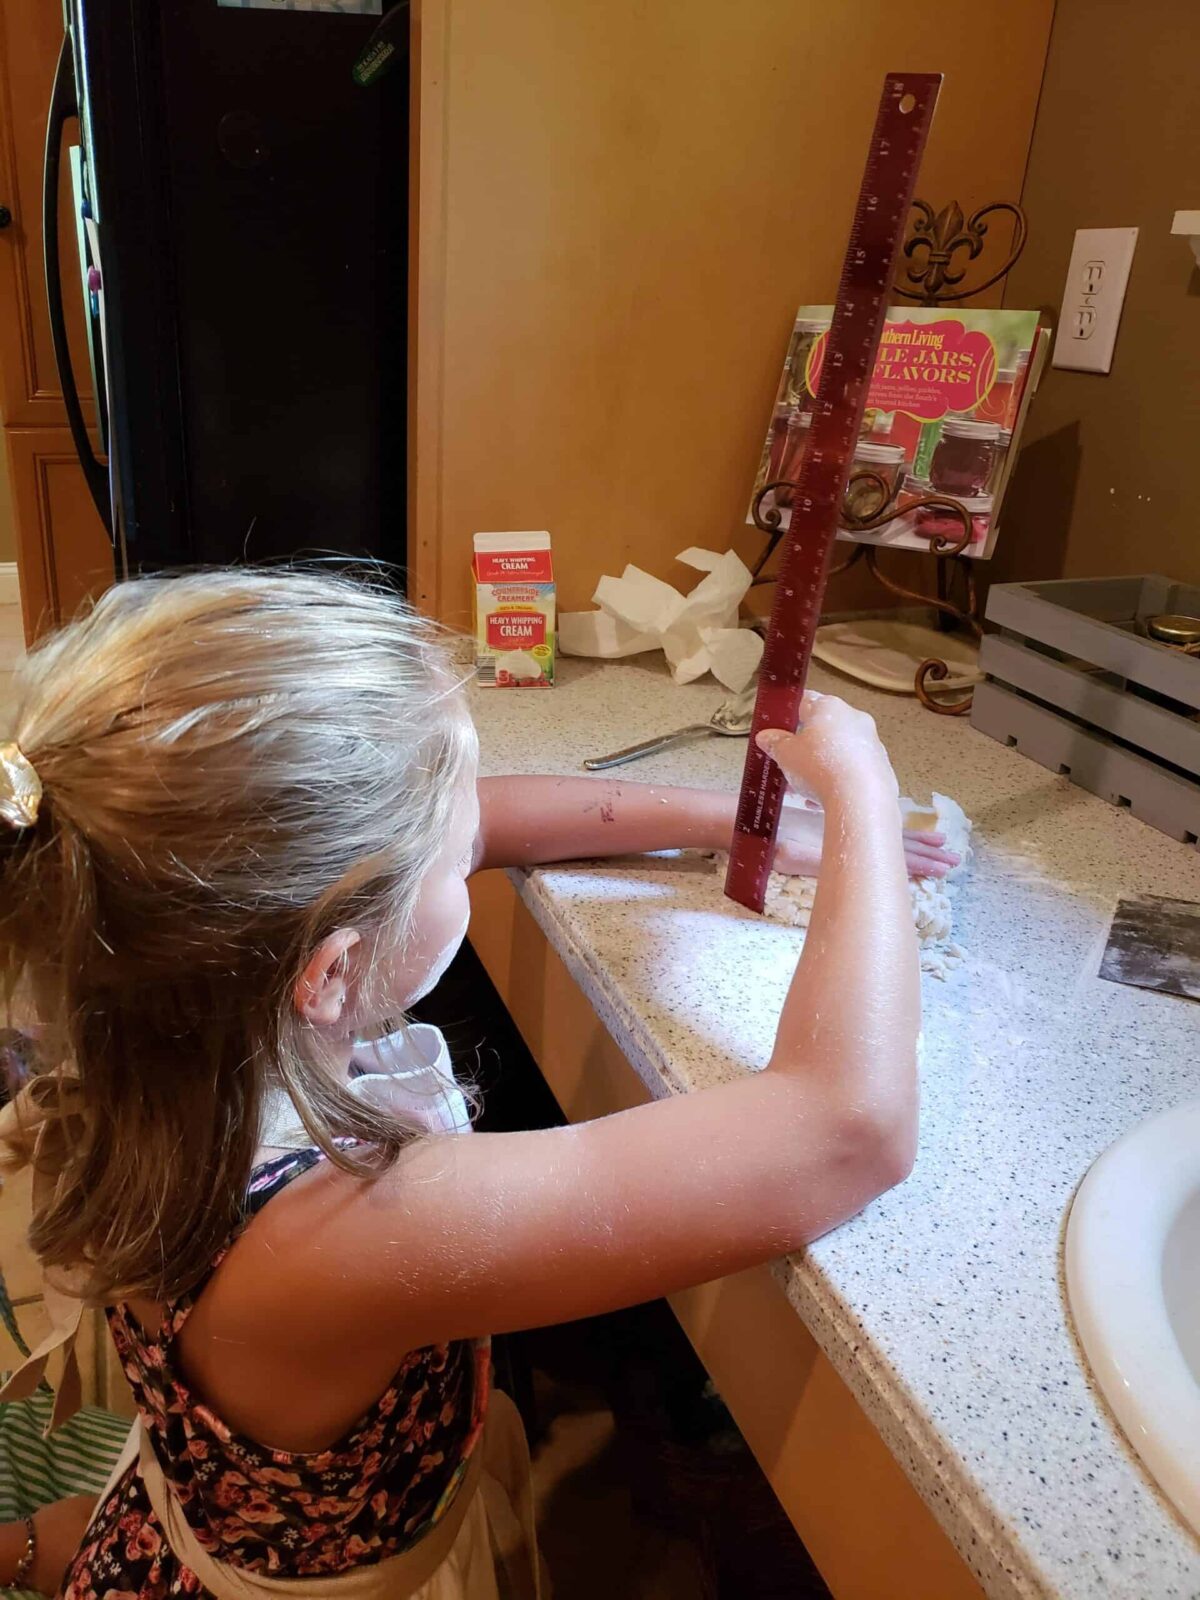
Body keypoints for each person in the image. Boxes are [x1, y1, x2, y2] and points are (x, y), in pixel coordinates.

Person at [0, 569, 940, 1598]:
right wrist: (860, 803)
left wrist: (744, 821)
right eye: (447, 865)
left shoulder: (145, 1024)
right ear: (333, 971)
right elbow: (849, 1127)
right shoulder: (347, 1232)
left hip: (199, 1508)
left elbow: (482, 817)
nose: (473, 850)